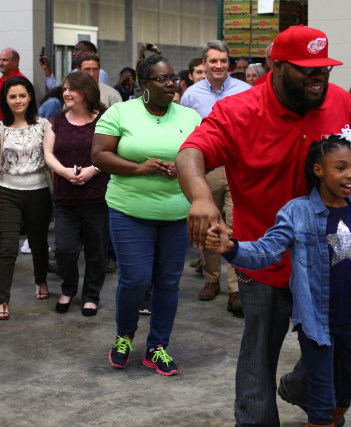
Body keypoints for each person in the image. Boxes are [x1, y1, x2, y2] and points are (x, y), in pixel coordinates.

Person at [176, 25, 351, 425]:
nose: (319, 78)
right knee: (260, 353)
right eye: (308, 71)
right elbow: (191, 153)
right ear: (276, 66)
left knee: (339, 345)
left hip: (332, 254)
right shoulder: (238, 111)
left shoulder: (341, 102)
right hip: (265, 257)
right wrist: (200, 198)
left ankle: (301, 388)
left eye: (325, 69)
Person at [207, 134, 351, 427]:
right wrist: (232, 248)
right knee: (322, 400)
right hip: (318, 323)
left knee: (347, 392)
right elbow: (267, 251)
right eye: (340, 168)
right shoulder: (298, 212)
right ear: (318, 170)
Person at [93, 55, 201, 376]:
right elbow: (99, 155)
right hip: (130, 211)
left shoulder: (190, 116)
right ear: (144, 85)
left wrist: (181, 165)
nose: (172, 84)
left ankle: (157, 347)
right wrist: (138, 168)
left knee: (169, 281)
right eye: (163, 79)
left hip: (176, 213)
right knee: (135, 279)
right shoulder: (120, 112)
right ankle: (124, 335)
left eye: (173, 79)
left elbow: (201, 154)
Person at [180, 40, 251, 314]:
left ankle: (236, 288)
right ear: (204, 64)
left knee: (235, 226)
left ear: (228, 63)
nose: (218, 65)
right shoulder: (191, 95)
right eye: (213, 61)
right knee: (209, 225)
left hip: (237, 167)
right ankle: (211, 280)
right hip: (206, 170)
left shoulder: (245, 91)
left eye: (223, 61)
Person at [0, 76, 52, 320]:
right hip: (7, 192)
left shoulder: (43, 125)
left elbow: (51, 160)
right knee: (7, 248)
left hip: (38, 192)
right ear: (5, 100)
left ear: (30, 97)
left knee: (38, 243)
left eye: (22, 95)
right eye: (12, 96)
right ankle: (2, 300)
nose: (17, 100)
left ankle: (41, 279)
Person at [43, 72, 109, 316]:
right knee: (65, 249)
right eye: (65, 89)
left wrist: (93, 170)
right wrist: (64, 172)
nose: (66, 94)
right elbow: (48, 153)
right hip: (65, 197)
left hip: (97, 197)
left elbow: (113, 150)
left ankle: (91, 295)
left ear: (87, 92)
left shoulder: (103, 120)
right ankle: (69, 288)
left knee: (96, 250)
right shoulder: (56, 121)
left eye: (72, 89)